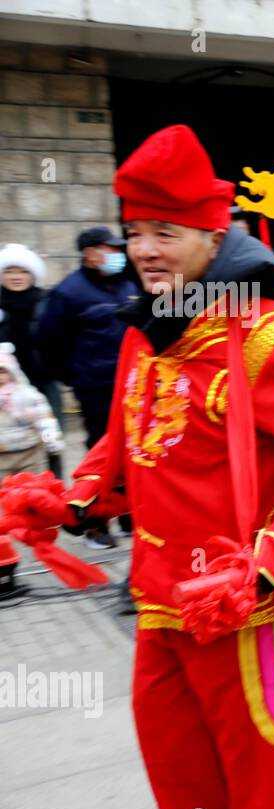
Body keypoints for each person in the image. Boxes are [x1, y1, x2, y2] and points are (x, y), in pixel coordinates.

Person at [56, 125, 274, 809]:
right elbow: (129, 434)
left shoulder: (266, 335)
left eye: (165, 232)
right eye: (135, 232)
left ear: (210, 234)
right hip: (159, 599)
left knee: (261, 782)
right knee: (180, 770)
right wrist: (76, 495)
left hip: (242, 605)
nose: (145, 250)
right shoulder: (151, 329)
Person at [36, 226, 138, 547]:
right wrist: (75, 377)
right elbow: (49, 342)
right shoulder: (68, 292)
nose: (118, 255)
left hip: (133, 385)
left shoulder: (129, 286)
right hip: (95, 388)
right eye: (111, 249)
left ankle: (129, 516)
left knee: (136, 451)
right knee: (101, 456)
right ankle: (96, 524)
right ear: (90, 252)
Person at [0, 343, 64, 598]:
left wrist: (52, 440)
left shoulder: (26, 394)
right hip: (3, 458)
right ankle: (8, 548)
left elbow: (44, 417)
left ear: (13, 372)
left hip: (29, 455)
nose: (0, 377)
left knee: (36, 504)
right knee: (7, 506)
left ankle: (43, 545)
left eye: (4, 372)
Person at [0, 244, 61, 475]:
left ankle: (54, 491)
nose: (16, 277)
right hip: (5, 390)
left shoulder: (46, 303)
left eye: (22, 271)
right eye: (10, 271)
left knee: (50, 440)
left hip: (44, 385)